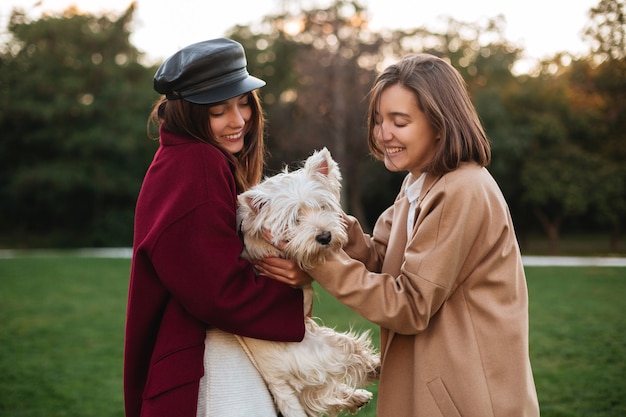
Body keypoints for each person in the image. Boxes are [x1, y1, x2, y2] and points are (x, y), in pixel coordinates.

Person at [257, 53, 540, 416]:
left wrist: (321, 264)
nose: (383, 133)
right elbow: (383, 263)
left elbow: (409, 305)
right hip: (432, 384)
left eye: (399, 122)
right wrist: (326, 229)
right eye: (378, 121)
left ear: (440, 124)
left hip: (466, 396)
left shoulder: (462, 190)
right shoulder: (418, 182)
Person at [124, 38, 306, 417]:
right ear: (188, 114)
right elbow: (217, 291)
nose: (238, 120)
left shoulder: (182, 159)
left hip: (209, 357)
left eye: (243, 103)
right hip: (211, 367)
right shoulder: (198, 164)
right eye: (218, 111)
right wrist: (296, 290)